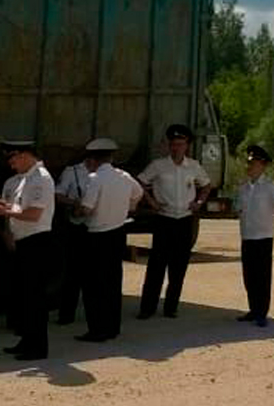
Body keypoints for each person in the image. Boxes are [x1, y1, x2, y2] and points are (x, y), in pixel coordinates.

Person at [136, 123, 213, 319]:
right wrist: (151, 201)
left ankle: (171, 307)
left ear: (187, 145)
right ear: (168, 146)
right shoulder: (159, 165)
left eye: (180, 144)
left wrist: (199, 202)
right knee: (156, 266)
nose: (176, 147)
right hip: (165, 219)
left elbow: (206, 185)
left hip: (184, 219)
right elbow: (140, 182)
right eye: (173, 144)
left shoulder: (193, 166)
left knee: (178, 267)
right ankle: (147, 308)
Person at [0, 139, 55, 361]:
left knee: (35, 297)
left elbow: (34, 214)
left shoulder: (41, 179)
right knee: (25, 296)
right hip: (24, 241)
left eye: (13, 158)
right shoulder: (25, 180)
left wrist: (7, 213)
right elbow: (21, 208)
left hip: (37, 242)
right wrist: (6, 208)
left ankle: (38, 347)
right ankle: (27, 340)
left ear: (25, 155)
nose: (11, 164)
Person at [74, 138, 143, 343]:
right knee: (113, 282)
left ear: (93, 159)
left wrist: (76, 209)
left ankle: (97, 329)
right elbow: (138, 193)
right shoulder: (124, 177)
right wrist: (128, 207)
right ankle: (113, 327)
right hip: (118, 232)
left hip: (97, 234)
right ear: (111, 157)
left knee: (93, 285)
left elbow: (87, 208)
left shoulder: (95, 179)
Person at [235, 144, 274, 327]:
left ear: (263, 165)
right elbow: (239, 209)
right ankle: (253, 309)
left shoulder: (270, 186)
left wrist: (272, 223)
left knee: (262, 276)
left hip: (263, 237)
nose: (249, 166)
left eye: (254, 163)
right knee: (249, 275)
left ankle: (262, 312)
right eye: (248, 163)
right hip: (247, 236)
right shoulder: (243, 187)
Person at [53, 152, 96, 327]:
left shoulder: (103, 174)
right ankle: (66, 314)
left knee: (92, 274)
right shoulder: (73, 172)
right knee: (72, 273)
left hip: (94, 226)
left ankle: (91, 314)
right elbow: (58, 194)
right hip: (76, 225)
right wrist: (74, 203)